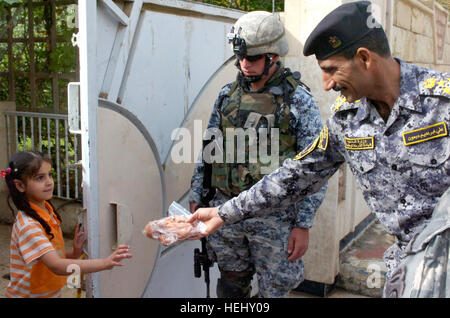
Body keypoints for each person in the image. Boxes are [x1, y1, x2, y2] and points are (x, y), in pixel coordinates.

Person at [188, 1, 449, 297]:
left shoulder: (443, 104)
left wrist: (302, 224)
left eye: (331, 70)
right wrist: (223, 213)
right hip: (410, 271)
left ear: (363, 58)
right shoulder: (346, 121)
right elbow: (296, 175)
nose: (325, 85)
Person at [188, 11, 327, 298]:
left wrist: (303, 223)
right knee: (231, 282)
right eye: (240, 57)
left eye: (252, 58)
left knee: (274, 289)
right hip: (226, 212)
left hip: (275, 219)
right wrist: (197, 193)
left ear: (273, 56)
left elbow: (316, 168)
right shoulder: (228, 96)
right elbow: (210, 147)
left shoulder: (298, 101)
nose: (244, 64)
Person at [2, 150, 132, 298]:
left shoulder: (46, 210)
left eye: (49, 174)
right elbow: (56, 265)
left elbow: (47, 255)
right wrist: (105, 263)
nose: (49, 181)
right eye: (40, 178)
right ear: (20, 186)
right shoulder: (29, 225)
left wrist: (73, 254)